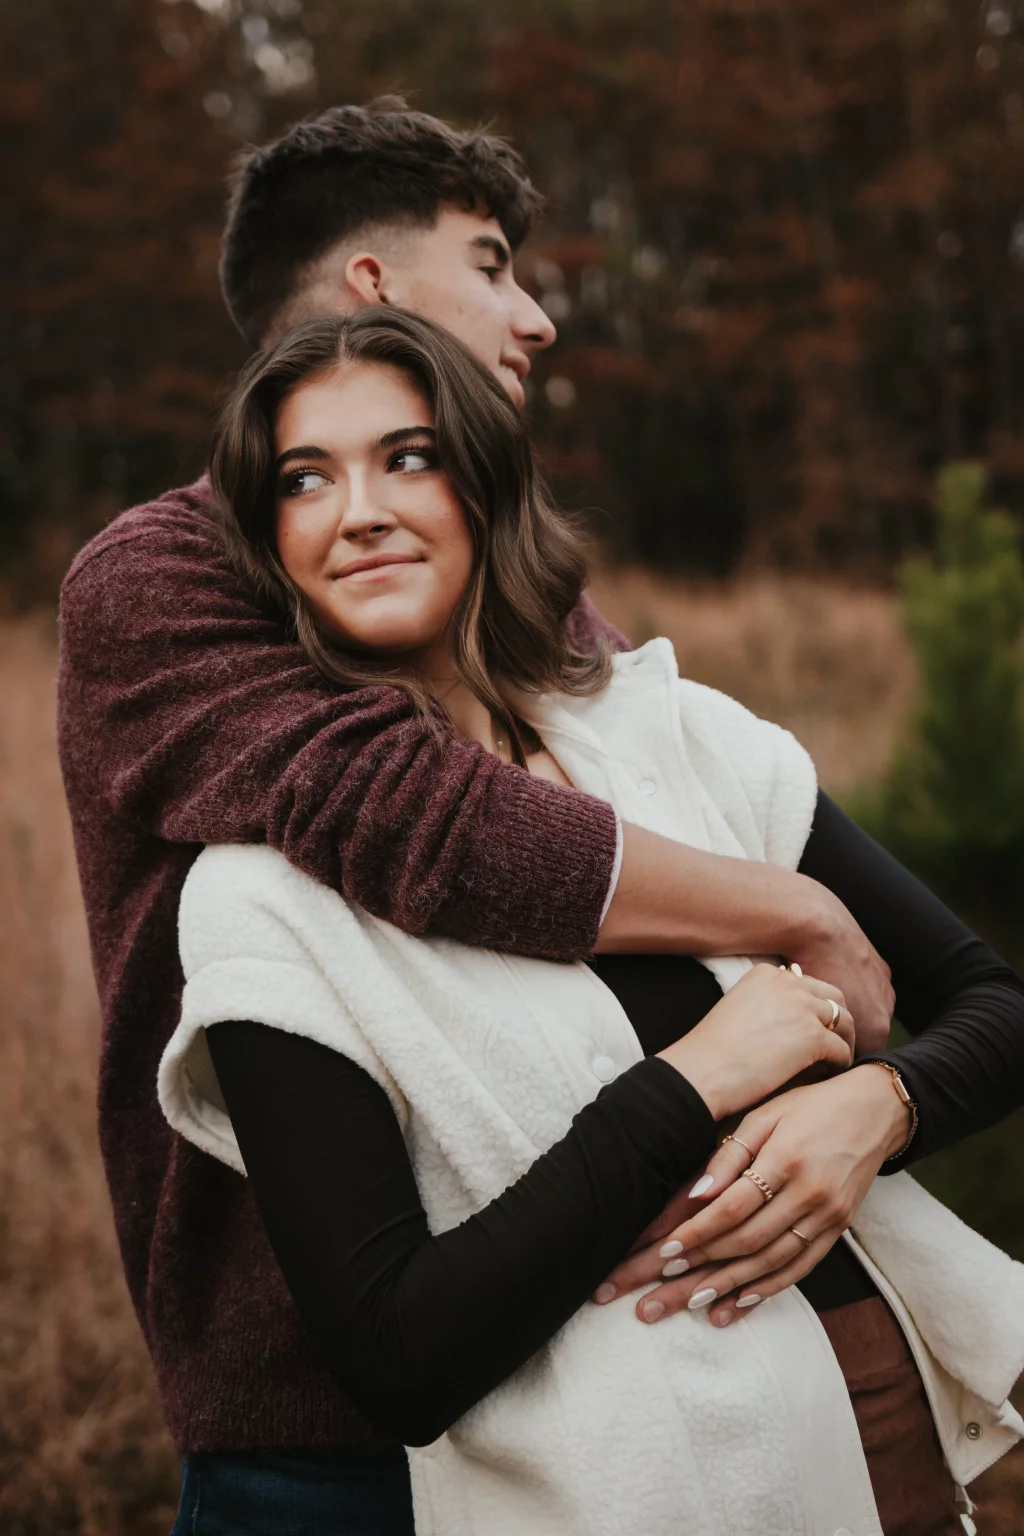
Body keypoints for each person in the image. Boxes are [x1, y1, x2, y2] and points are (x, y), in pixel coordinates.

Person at [57, 97, 896, 1522]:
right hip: (321, 1422)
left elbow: (656, 811)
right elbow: (419, 819)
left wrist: (877, 1095)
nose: (536, 318)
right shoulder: (160, 572)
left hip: (605, 1370)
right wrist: (801, 911)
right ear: (377, 285)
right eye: (496, 262)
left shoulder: (550, 614)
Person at [160, 308, 1024, 1535]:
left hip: (895, 1428)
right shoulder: (260, 899)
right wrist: (691, 1083)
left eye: (408, 456)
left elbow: (992, 1008)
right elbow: (399, 1356)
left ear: (487, 481)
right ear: (270, 538)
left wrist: (872, 1109)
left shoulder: (679, 733)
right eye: (306, 479)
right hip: (645, 1498)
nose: (358, 509)